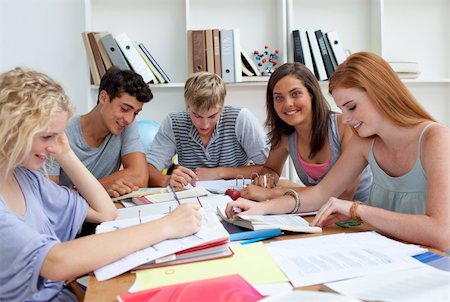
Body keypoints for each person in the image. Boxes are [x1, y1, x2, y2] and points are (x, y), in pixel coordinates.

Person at [0, 67, 201, 301]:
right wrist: (165, 226)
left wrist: (65, 152)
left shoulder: (27, 179)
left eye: (59, 136)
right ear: (11, 130)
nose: (54, 146)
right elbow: (55, 262)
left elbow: (106, 212)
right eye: (47, 136)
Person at [226, 52, 449, 252]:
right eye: (342, 109)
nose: (347, 118)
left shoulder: (435, 139)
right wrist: (261, 209)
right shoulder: (366, 142)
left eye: (352, 107)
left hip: (432, 263)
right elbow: (320, 194)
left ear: (382, 93)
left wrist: (358, 210)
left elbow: (441, 233)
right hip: (388, 252)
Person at [238, 62, 372, 202]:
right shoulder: (286, 135)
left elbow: (344, 192)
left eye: (295, 94)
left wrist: (275, 193)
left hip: (357, 216)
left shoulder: (344, 126)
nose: (288, 103)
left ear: (311, 93)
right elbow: (271, 169)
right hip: (317, 211)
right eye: (279, 97)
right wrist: (267, 179)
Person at [147, 71, 270, 189]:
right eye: (197, 115)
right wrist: (167, 180)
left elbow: (269, 168)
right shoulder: (174, 123)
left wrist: (219, 173)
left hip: (238, 197)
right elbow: (148, 168)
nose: (204, 125)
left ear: (221, 108)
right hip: (193, 199)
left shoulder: (241, 119)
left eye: (212, 116)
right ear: (187, 106)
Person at [47, 67, 152, 198]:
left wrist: (92, 188)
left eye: (136, 113)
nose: (129, 119)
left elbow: (140, 177)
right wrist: (99, 189)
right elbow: (49, 196)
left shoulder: (126, 125)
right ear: (103, 98)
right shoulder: (60, 132)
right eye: (125, 109)